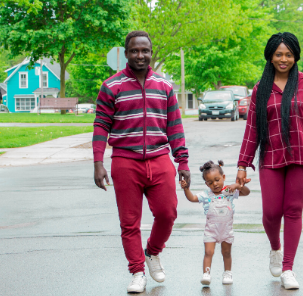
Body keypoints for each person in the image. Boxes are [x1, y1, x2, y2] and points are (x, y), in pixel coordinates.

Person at [92, 30, 191, 293]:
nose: (140, 55)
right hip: (125, 161)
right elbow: (101, 125)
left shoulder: (164, 85)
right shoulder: (111, 86)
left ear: (150, 52)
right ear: (126, 54)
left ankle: (152, 252)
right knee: (129, 222)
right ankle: (137, 271)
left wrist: (182, 163)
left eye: (144, 50)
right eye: (134, 51)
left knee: (168, 213)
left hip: (159, 158)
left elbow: (175, 127)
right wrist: (98, 162)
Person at [236, 32, 303, 290]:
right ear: (270, 56)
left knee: (293, 210)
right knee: (271, 213)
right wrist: (242, 164)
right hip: (271, 156)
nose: (284, 59)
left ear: (295, 56)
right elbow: (252, 130)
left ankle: (288, 268)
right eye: (279, 54)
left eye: (289, 54)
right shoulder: (261, 89)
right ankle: (275, 248)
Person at [180, 160, 249, 286]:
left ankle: (227, 273)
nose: (215, 184)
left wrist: (238, 186)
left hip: (226, 230)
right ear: (206, 184)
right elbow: (192, 198)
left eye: (217, 180)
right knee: (208, 253)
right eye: (210, 182)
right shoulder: (206, 195)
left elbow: (246, 192)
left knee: (226, 253)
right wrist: (186, 188)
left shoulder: (229, 191)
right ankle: (206, 274)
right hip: (211, 231)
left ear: (223, 177)